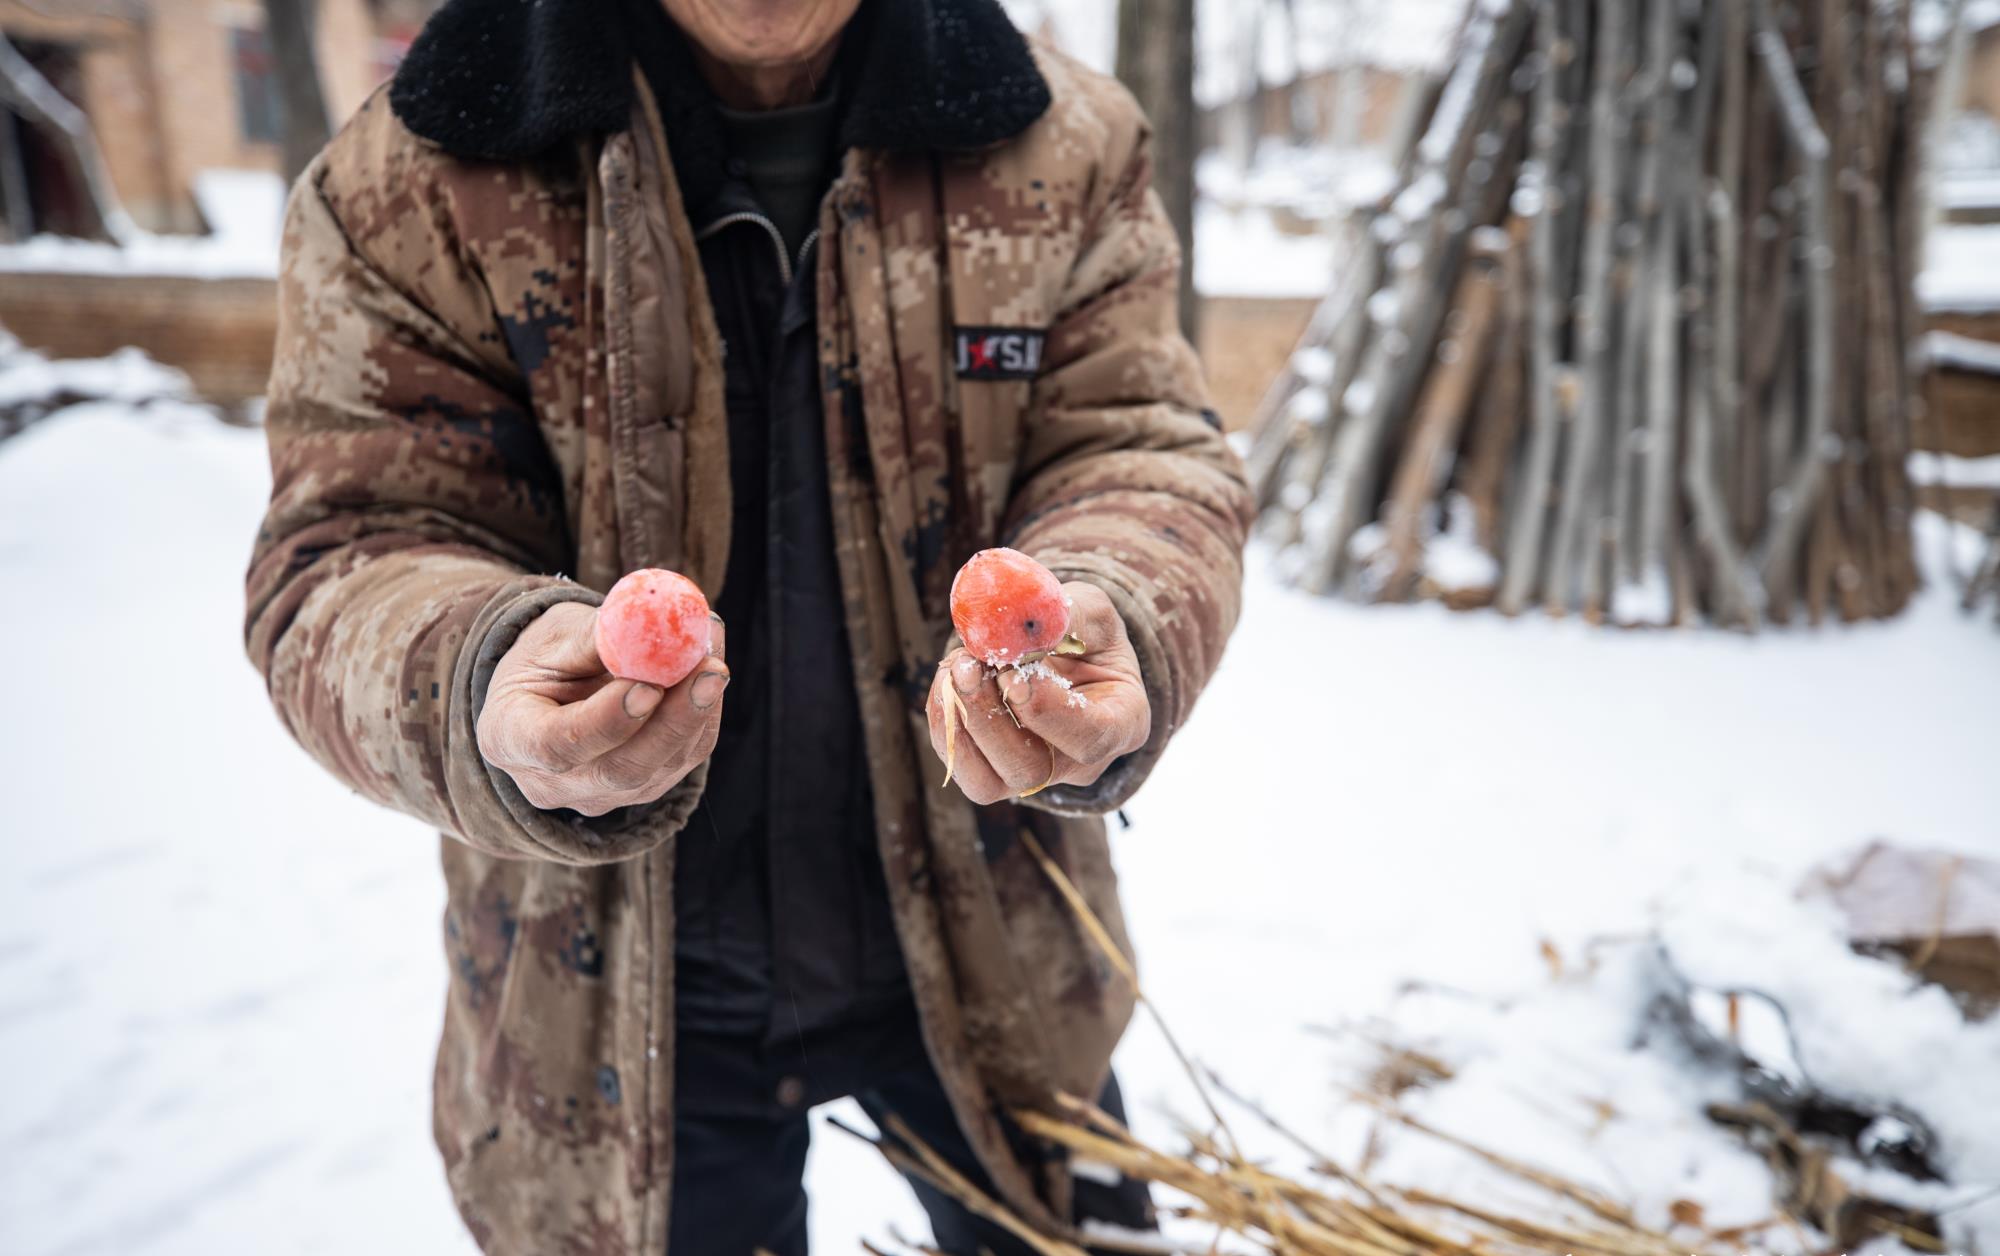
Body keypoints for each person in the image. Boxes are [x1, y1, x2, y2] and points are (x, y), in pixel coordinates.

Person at [244, 0, 1249, 1250]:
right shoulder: (421, 171)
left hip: (1000, 943)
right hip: (603, 1000)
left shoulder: (1065, 140)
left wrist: (1116, 601)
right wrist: (477, 671)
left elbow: (1137, 445)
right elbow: (345, 545)